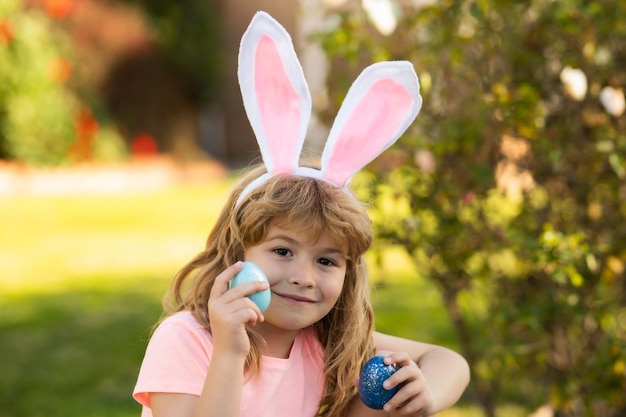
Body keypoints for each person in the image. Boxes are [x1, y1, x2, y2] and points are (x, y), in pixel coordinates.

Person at [133, 11, 470, 417]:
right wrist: (228, 353)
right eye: (282, 251)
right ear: (237, 251)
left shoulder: (323, 344)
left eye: (326, 260)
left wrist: (423, 393)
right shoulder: (188, 340)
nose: (303, 277)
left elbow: (449, 362)